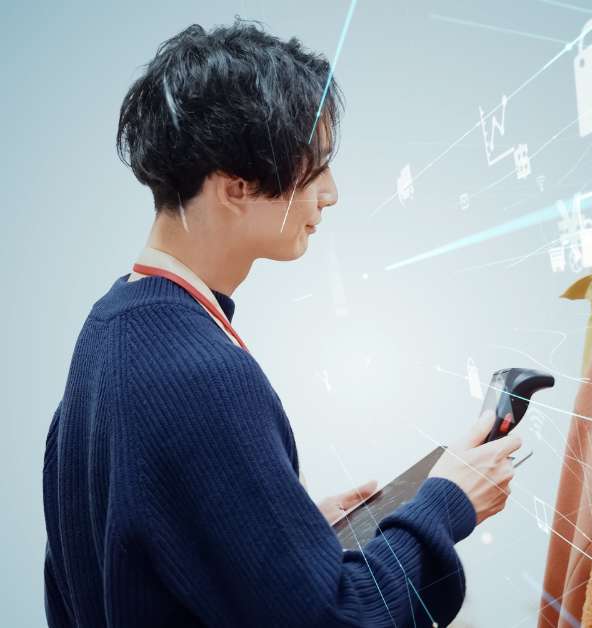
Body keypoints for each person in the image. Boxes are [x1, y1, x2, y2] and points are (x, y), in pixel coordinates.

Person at [41, 20, 521, 627]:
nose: (332, 193)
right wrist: (447, 505)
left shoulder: (108, 329)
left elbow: (115, 564)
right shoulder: (203, 376)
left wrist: (281, 540)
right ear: (233, 186)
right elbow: (338, 619)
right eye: (313, 168)